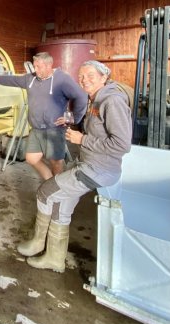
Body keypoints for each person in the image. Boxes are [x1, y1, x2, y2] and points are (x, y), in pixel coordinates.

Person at [17, 60, 132, 272]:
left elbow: (122, 145)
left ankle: (37, 242)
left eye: (90, 75)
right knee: (62, 203)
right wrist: (74, 124)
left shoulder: (111, 101)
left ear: (104, 77)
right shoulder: (96, 99)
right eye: (81, 75)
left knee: (46, 192)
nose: (84, 79)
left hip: (98, 169)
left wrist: (82, 140)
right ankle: (54, 258)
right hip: (89, 163)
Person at [0, 52, 88, 179]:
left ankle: (58, 191)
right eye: (34, 66)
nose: (35, 70)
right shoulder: (30, 78)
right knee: (31, 158)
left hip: (54, 130)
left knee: (56, 162)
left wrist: (73, 118)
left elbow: (81, 96)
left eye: (38, 67)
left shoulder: (62, 79)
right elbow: (13, 80)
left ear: (48, 66)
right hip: (36, 129)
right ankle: (49, 182)